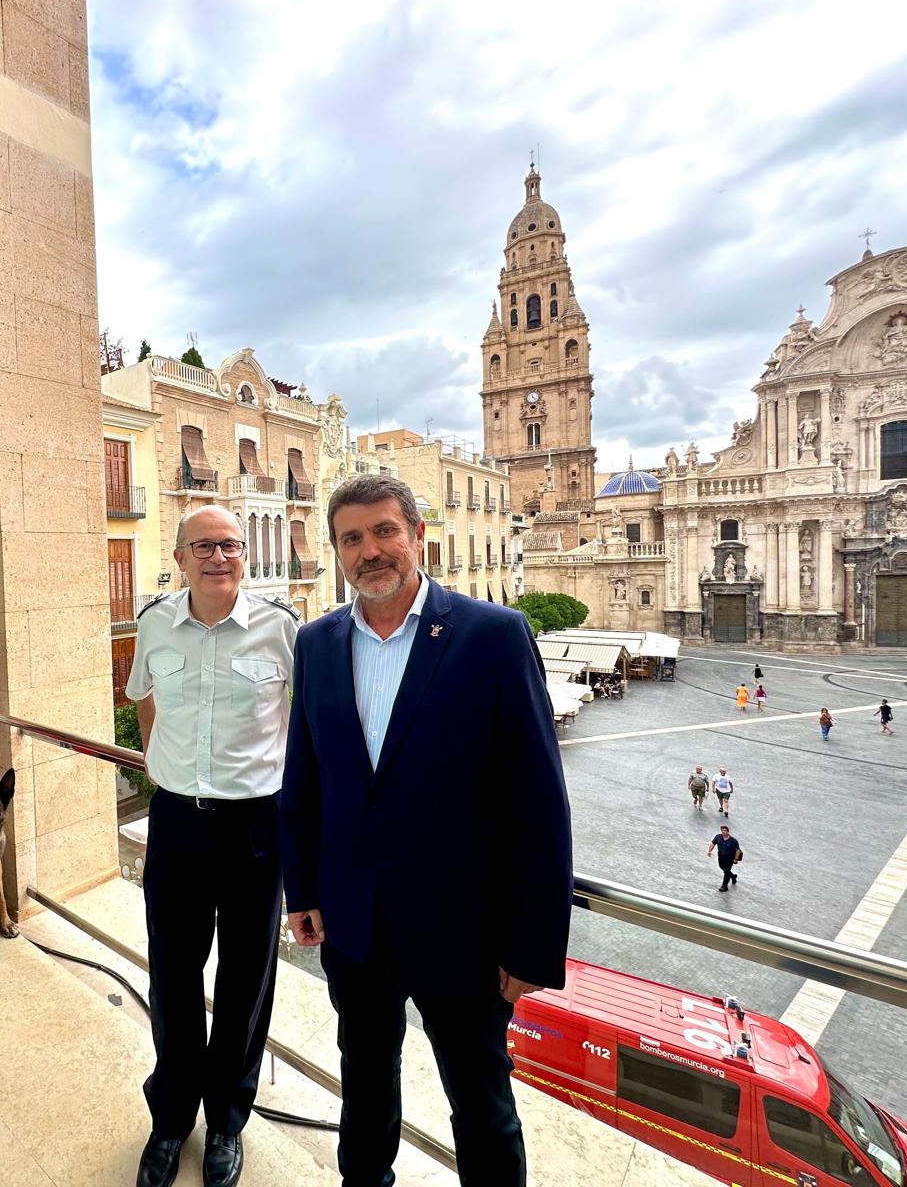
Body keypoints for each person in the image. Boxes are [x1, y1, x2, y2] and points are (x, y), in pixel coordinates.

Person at [280, 474, 573, 1187]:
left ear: (416, 535)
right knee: (366, 1090)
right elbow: (304, 776)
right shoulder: (317, 643)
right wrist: (303, 890)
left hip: (465, 935)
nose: (370, 550)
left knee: (481, 1104)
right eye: (352, 538)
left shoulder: (493, 634)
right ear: (338, 551)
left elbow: (539, 799)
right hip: (354, 926)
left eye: (385, 531)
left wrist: (532, 944)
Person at [124, 505, 298, 1187]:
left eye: (230, 545)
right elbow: (143, 699)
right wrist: (158, 765)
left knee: (247, 977)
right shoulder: (156, 622)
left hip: (257, 825)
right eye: (204, 545)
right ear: (181, 556)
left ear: (244, 555)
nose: (219, 555)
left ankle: (226, 1122)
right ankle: (170, 1121)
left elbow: (302, 726)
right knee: (171, 971)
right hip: (177, 821)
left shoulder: (281, 630)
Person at [708, 825, 741, 891]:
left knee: (726, 871)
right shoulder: (718, 837)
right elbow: (713, 843)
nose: (723, 832)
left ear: (728, 831)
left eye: (725, 830)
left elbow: (738, 850)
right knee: (722, 868)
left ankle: (724, 886)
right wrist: (709, 851)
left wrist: (736, 859)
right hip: (721, 856)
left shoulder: (733, 840)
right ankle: (733, 876)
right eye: (722, 830)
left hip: (730, 858)